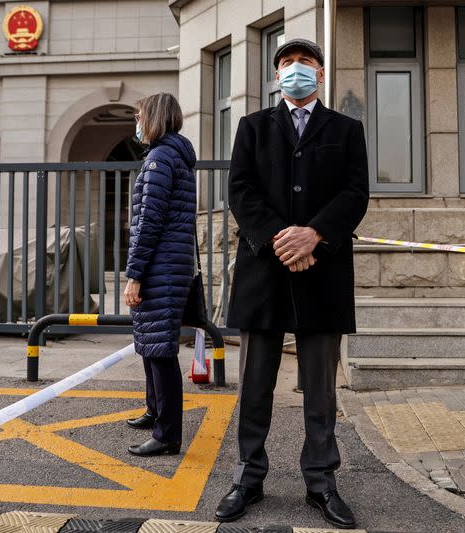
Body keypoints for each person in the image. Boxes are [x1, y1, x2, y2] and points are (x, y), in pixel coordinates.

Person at [214, 38, 369, 529]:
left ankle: (322, 482)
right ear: (275, 75)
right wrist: (282, 240)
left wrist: (315, 235)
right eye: (286, 64)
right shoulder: (253, 127)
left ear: (320, 74)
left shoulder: (346, 129)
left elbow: (355, 192)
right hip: (265, 269)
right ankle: (248, 478)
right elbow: (241, 189)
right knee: (255, 384)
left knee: (320, 388)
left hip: (322, 271)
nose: (294, 70)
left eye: (304, 63)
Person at [123, 93, 197, 457]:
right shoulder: (171, 156)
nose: (136, 123)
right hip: (168, 262)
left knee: (161, 349)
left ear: (152, 118)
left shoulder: (160, 159)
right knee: (151, 341)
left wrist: (134, 274)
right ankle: (155, 411)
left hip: (160, 264)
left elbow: (148, 221)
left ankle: (168, 434)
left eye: (139, 116)